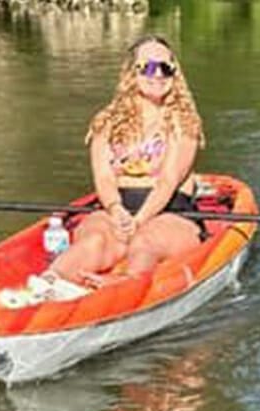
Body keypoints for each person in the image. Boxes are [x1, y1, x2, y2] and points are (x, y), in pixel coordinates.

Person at [31, 35, 208, 302]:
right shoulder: (107, 122)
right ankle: (50, 280)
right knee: (95, 239)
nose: (157, 74)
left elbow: (168, 181)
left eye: (166, 67)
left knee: (146, 241)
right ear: (131, 74)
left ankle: (126, 285)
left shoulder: (184, 123)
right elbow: (103, 177)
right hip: (118, 208)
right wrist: (116, 209)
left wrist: (138, 221)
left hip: (170, 212)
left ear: (175, 73)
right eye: (148, 67)